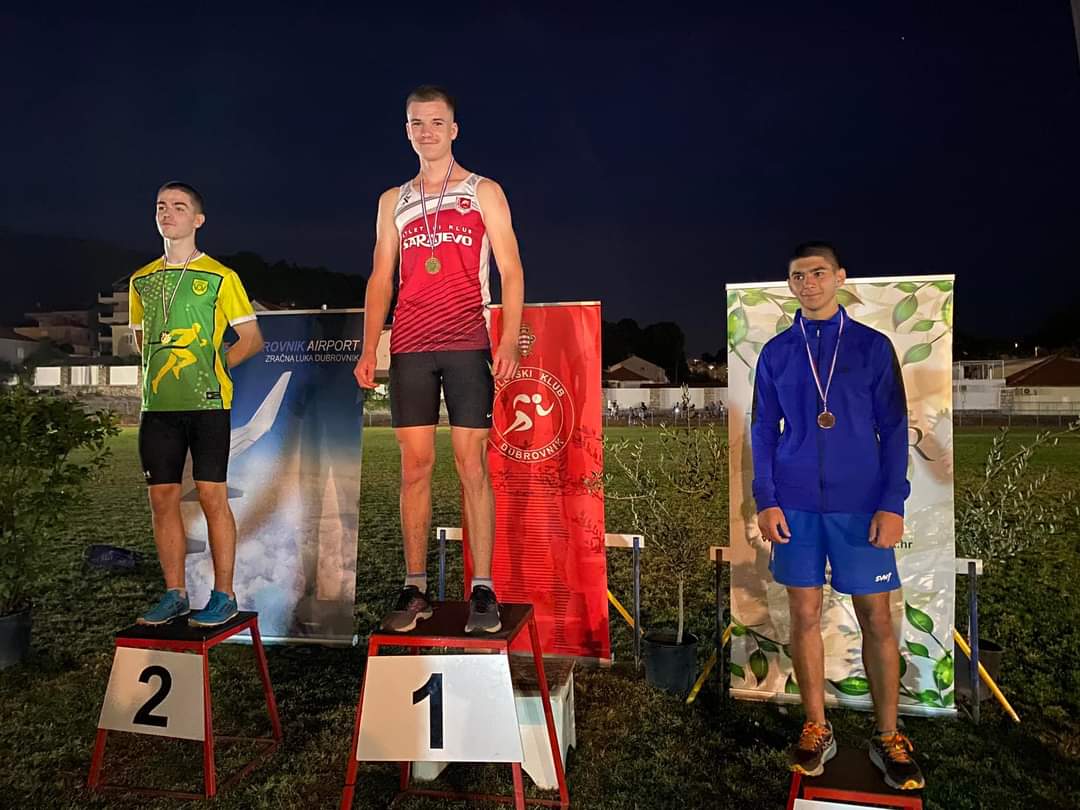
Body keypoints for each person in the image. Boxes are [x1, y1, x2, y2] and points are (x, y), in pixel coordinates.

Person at [750, 241, 924, 790]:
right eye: (798, 276)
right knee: (803, 614)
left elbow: (893, 428)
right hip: (796, 505)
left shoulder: (872, 347)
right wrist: (766, 498)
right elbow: (762, 430)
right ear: (790, 284)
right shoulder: (777, 352)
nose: (808, 284)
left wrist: (892, 502)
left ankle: (888, 733)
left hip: (860, 504)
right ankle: (816, 726)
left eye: (818, 273)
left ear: (840, 277)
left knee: (877, 617)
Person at [354, 85, 524, 634]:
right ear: (406, 131)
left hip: (467, 341)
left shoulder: (482, 191)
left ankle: (483, 589)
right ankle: (415, 587)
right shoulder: (393, 200)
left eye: (435, 122)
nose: (426, 131)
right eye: (416, 123)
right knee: (415, 468)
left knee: (472, 465)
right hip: (409, 346)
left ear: (454, 129)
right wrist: (369, 346)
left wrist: (507, 339)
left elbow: (511, 270)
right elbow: (381, 277)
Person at [130, 181, 264, 627]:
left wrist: (216, 364)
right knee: (162, 499)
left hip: (207, 405)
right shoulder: (141, 281)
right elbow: (141, 340)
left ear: (198, 219)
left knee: (211, 496)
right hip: (157, 408)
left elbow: (251, 339)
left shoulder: (222, 277)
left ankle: (224, 595)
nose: (168, 214)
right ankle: (175, 594)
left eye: (178, 207)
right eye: (161, 207)